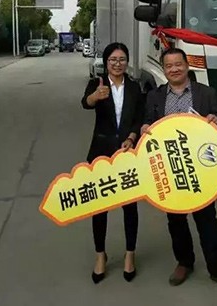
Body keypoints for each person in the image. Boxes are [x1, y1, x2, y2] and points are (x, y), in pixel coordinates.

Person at [141, 48, 217, 294]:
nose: (174, 69)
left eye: (178, 64)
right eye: (169, 66)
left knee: (207, 219)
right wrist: (144, 128)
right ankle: (184, 262)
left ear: (187, 66)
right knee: (175, 219)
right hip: (170, 167)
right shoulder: (154, 96)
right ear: (164, 69)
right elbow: (147, 122)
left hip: (200, 167)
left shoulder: (206, 93)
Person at [81, 42, 143, 284]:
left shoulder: (135, 87)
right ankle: (100, 255)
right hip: (100, 152)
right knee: (100, 206)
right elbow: (85, 103)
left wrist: (131, 137)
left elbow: (138, 117)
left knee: (129, 206)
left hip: (127, 152)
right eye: (113, 60)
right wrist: (95, 97)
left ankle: (130, 254)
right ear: (106, 62)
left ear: (127, 62)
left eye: (122, 59)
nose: (118, 64)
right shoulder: (97, 83)